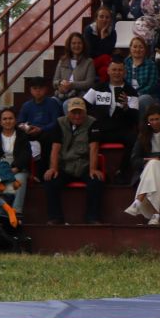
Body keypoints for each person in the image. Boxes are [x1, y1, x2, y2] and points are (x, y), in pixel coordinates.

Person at [43, 96, 106, 224]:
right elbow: (55, 148)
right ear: (68, 112)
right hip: (65, 165)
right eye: (74, 112)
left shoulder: (93, 123)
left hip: (84, 165)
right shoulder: (59, 123)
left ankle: (92, 218)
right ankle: (55, 217)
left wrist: (93, 169)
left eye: (80, 112)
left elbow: (94, 148)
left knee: (96, 181)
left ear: (85, 112)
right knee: (50, 181)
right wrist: (53, 168)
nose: (77, 116)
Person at [86, 60, 139, 144]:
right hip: (100, 127)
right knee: (91, 136)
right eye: (114, 70)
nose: (117, 73)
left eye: (120, 70)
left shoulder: (131, 92)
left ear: (125, 72)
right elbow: (84, 104)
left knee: (133, 138)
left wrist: (126, 107)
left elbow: (135, 118)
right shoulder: (98, 88)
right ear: (108, 71)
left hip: (121, 129)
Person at [15, 75, 64, 165]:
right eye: (35, 88)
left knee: (50, 137)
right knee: (19, 137)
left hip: (46, 133)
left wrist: (41, 129)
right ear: (31, 90)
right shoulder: (26, 105)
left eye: (40, 88)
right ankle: (21, 166)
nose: (38, 91)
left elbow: (56, 122)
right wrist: (27, 128)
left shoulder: (53, 103)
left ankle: (44, 167)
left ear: (45, 89)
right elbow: (19, 123)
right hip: (30, 132)